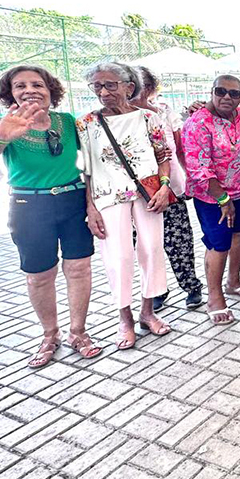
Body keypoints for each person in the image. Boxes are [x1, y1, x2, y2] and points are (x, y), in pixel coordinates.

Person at [0, 65, 100, 366]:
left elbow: (90, 165)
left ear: (50, 91)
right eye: (20, 86)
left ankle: (78, 332)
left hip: (73, 200)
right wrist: (0, 138)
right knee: (39, 276)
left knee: (79, 268)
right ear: (10, 93)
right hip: (28, 205)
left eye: (37, 84)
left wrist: (92, 206)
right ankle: (50, 334)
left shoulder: (68, 122)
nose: (30, 90)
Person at [77, 61, 172, 349]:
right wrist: (90, 207)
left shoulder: (148, 118)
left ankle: (147, 312)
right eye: (97, 86)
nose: (103, 92)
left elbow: (163, 156)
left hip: (148, 192)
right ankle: (124, 319)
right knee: (118, 256)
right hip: (107, 195)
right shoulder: (86, 123)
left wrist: (165, 187)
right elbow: (84, 169)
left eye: (110, 85)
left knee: (151, 249)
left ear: (129, 87)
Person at [182, 75, 240, 325]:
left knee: (239, 234)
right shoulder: (198, 122)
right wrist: (223, 199)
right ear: (211, 91)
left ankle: (233, 282)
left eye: (234, 93)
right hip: (212, 196)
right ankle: (214, 298)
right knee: (219, 243)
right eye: (221, 91)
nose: (227, 97)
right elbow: (199, 168)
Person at [132, 67, 205, 309]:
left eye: (141, 85)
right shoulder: (120, 117)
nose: (136, 90)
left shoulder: (164, 112)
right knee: (146, 245)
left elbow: (180, 149)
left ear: (150, 88)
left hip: (171, 187)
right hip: (136, 193)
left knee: (179, 241)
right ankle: (156, 290)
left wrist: (189, 179)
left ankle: (191, 286)